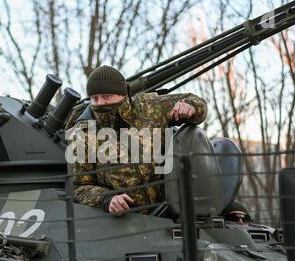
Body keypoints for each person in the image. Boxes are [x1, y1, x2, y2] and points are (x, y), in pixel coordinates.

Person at [69, 65, 208, 216]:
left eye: (106, 97)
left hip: (171, 211)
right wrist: (107, 199)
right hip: (129, 220)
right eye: (95, 98)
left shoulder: (150, 108)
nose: (100, 103)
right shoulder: (84, 133)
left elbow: (197, 102)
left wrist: (191, 107)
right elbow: (79, 188)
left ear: (122, 94)